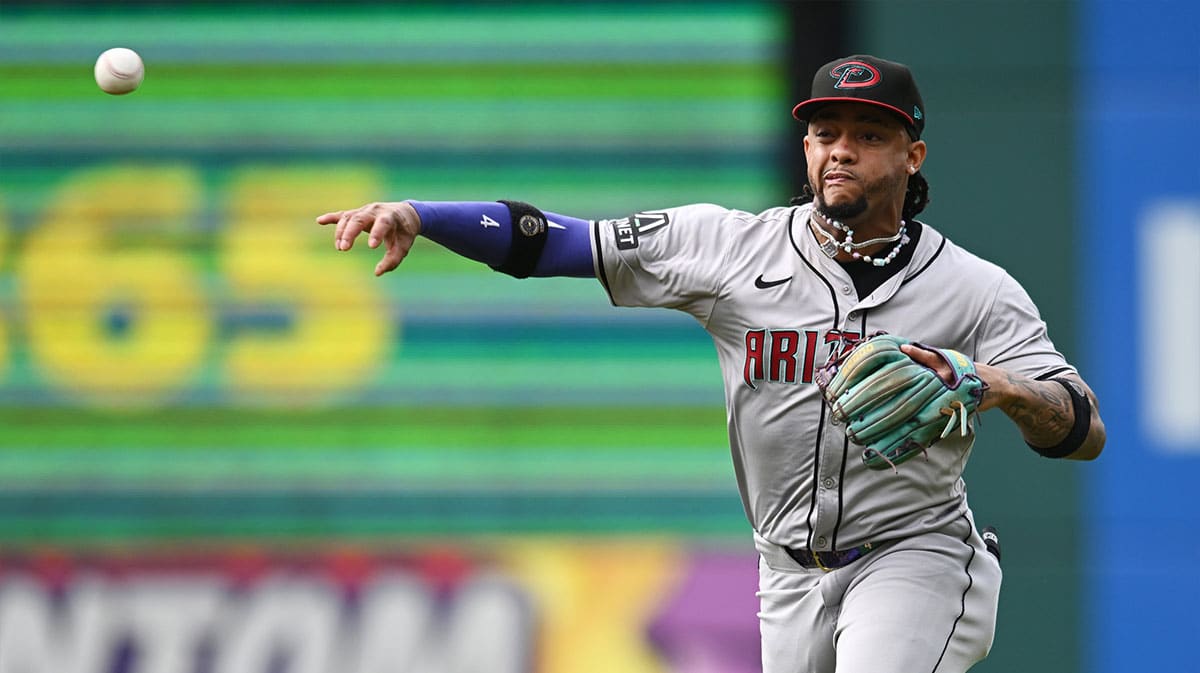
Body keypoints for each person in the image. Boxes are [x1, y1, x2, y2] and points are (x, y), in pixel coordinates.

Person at [316, 54, 1105, 673]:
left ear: (913, 154)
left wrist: (990, 383)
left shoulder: (974, 288)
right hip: (786, 571)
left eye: (869, 134)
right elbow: (554, 241)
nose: (842, 151)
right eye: (826, 131)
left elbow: (1082, 425)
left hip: (917, 553)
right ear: (805, 145)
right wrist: (422, 215)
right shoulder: (731, 248)